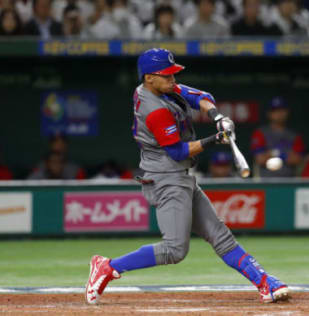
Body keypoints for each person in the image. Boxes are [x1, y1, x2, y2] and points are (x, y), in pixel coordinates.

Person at [85, 48, 290, 305]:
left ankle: (264, 282)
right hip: (165, 177)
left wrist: (216, 117)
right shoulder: (154, 109)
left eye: (173, 75)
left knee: (220, 235)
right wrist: (216, 139)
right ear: (149, 78)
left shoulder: (159, 87)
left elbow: (201, 96)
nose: (173, 80)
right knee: (174, 249)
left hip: (178, 175)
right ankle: (107, 266)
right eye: (167, 76)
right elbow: (178, 150)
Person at [250, 97, 305, 177]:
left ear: (287, 112)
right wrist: (278, 152)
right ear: (269, 113)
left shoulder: (294, 135)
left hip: (290, 182)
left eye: (281, 110)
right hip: (265, 182)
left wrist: (270, 154)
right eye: (275, 111)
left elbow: (297, 159)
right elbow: (260, 159)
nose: (279, 113)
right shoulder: (260, 133)